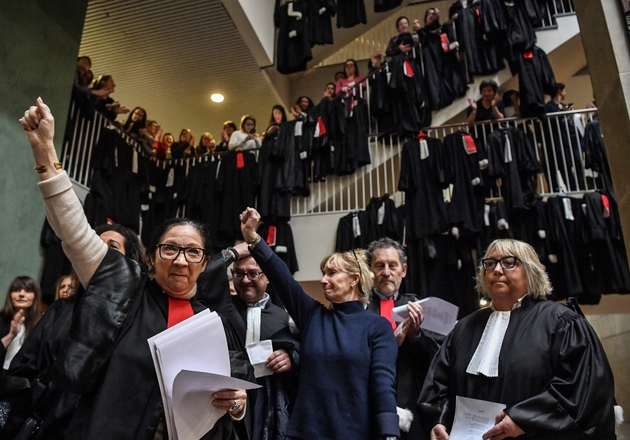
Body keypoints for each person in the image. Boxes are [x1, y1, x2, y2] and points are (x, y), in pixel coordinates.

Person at [19, 98, 253, 440]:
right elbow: (74, 232)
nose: (179, 259)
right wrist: (44, 152)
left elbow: (236, 391)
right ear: (151, 257)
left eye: (192, 252)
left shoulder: (214, 325)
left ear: (204, 263)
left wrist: (237, 404)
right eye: (170, 248)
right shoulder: (123, 289)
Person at [418, 238, 617, 440]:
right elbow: (438, 384)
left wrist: (525, 419)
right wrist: (438, 421)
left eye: (508, 262)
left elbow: (583, 389)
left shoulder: (561, 322)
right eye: (490, 263)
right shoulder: (463, 328)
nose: (496, 270)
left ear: (530, 272)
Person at [240, 207, 400, 440]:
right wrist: (253, 238)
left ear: (354, 279)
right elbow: (282, 277)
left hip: (355, 434)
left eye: (332, 273)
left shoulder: (377, 327)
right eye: (323, 273)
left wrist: (389, 433)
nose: (323, 280)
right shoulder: (314, 316)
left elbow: (383, 383)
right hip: (306, 434)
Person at [367, 238, 434, 440]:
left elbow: (435, 358)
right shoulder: (358, 307)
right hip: (367, 402)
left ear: (403, 270)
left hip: (410, 403)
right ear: (370, 271)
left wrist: (415, 337)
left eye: (392, 265)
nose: (386, 272)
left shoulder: (418, 306)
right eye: (379, 266)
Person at [231, 255, 300, 440]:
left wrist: (291, 357)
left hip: (270, 407)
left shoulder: (285, 319)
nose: (245, 280)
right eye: (239, 273)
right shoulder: (223, 313)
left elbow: (306, 357)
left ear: (268, 276)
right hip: (229, 404)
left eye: (253, 273)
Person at [1, 277, 42, 369]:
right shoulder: (2, 319)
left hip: (22, 379)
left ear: (35, 296)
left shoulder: (40, 324)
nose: (21, 294)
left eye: (28, 291)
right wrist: (11, 335)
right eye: (16, 290)